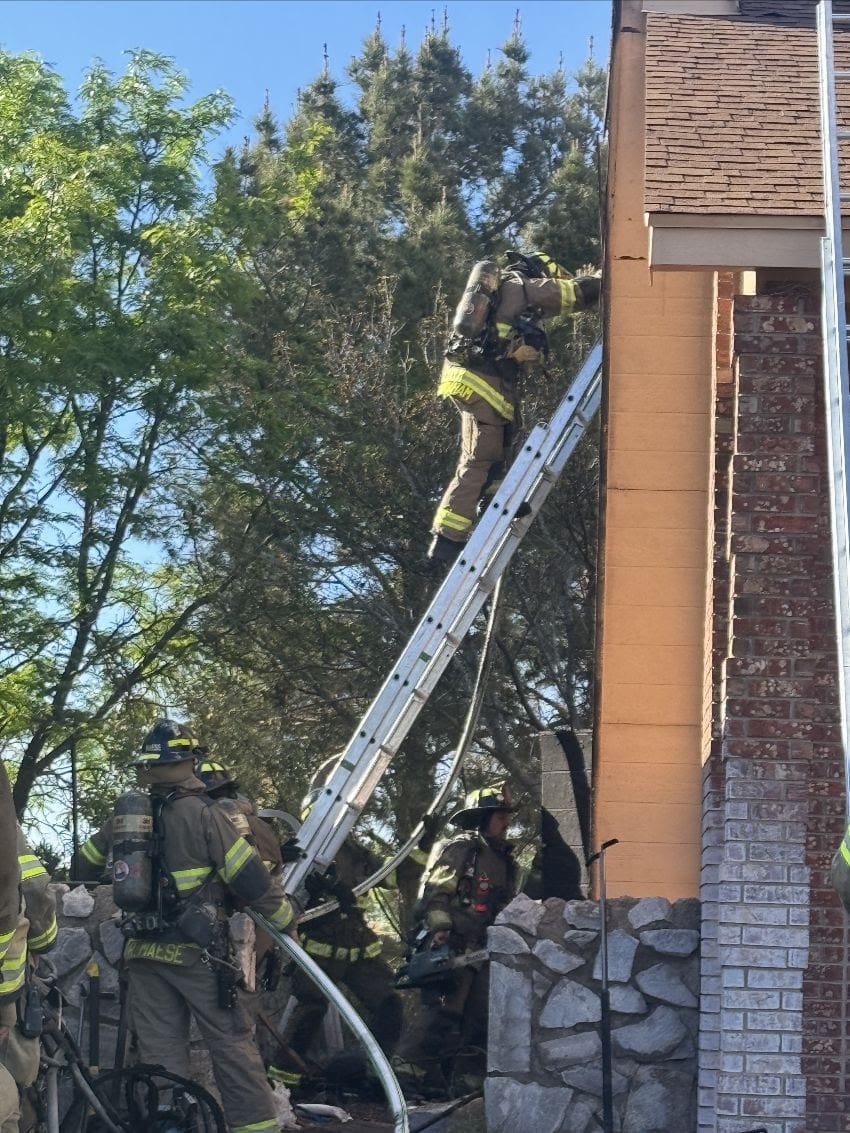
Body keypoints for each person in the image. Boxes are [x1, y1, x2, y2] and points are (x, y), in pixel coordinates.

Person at [77, 719, 296, 1133]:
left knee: (159, 1055)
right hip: (197, 954)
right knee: (231, 1046)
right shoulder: (206, 815)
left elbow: (82, 865)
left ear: (148, 767)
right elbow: (248, 879)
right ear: (192, 761)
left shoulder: (126, 819)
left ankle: (171, 1125)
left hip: (141, 950)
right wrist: (285, 919)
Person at [429, 251, 601, 564]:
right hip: (483, 383)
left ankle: (496, 499)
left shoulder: (500, 292)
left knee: (502, 441)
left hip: (474, 382)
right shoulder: (521, 285)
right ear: (540, 269)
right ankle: (447, 539)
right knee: (480, 458)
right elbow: (572, 295)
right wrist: (605, 279)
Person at [279, 756, 439, 1089]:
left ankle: (374, 1074)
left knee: (388, 1005)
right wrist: (322, 888)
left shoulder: (357, 852)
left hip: (358, 951)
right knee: (310, 1009)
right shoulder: (299, 850)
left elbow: (393, 876)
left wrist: (422, 844)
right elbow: (280, 891)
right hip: (318, 952)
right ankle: (284, 1081)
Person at [392, 782, 518, 1098]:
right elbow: (436, 893)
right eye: (500, 816)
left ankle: (463, 1086)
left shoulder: (504, 860)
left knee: (479, 1018)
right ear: (482, 817)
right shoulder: (463, 849)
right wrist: (441, 931)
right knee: (442, 1013)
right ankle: (405, 1076)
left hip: (485, 950)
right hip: (455, 946)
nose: (506, 822)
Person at [0, 815, 58, 1133]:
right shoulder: (5, 825)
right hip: (6, 994)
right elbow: (34, 887)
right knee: (13, 1091)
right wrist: (44, 941)